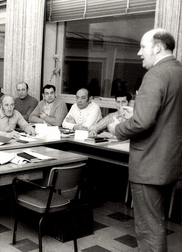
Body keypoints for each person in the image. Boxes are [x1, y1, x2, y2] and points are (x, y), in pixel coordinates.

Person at [108, 28, 182, 252]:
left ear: (158, 47)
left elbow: (142, 123)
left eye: (142, 47)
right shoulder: (178, 72)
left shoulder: (155, 75)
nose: (139, 53)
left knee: (149, 228)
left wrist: (117, 128)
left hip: (149, 166)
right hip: (170, 164)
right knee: (158, 222)